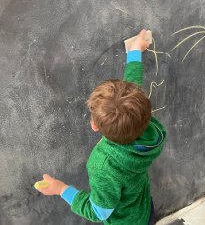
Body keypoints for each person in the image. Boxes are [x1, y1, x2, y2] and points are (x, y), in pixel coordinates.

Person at [36, 30, 167, 225]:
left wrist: (62, 189)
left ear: (94, 125)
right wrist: (135, 51)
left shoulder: (103, 165)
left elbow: (99, 212)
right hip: (144, 210)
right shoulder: (148, 129)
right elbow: (133, 90)